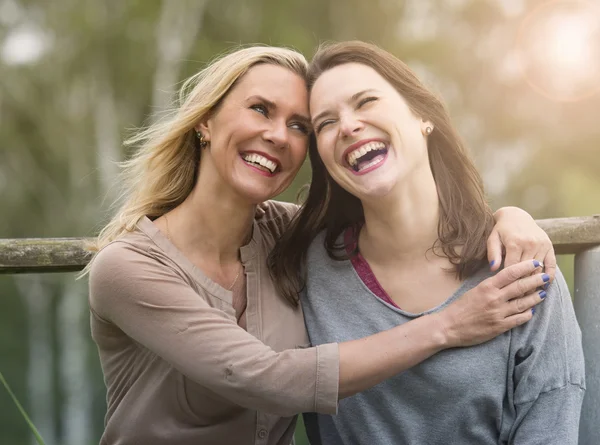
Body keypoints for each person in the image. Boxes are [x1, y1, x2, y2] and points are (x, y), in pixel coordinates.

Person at [86, 45, 555, 445]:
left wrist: (509, 218)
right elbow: (264, 378)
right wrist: (448, 325)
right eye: (260, 109)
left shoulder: (286, 236)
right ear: (205, 121)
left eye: (300, 126)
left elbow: (396, 215)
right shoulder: (126, 268)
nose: (277, 136)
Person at [269, 41, 585, 445]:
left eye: (366, 101)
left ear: (422, 116)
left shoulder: (521, 268)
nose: (348, 126)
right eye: (326, 123)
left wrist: (512, 215)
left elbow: (549, 428)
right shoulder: (304, 266)